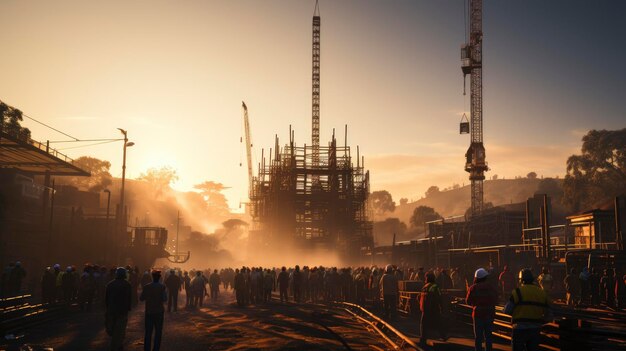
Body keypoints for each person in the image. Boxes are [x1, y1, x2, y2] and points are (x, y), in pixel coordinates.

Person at [504, 268, 552, 351]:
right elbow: (549, 316)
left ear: (521, 280)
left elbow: (507, 310)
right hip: (535, 329)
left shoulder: (517, 292)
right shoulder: (542, 293)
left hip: (519, 328)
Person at [466, 268, 497, 351]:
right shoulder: (490, 287)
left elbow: (468, 301)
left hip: (478, 314)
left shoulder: (473, 288)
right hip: (489, 314)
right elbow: (495, 299)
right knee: (488, 337)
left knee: (478, 337)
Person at [105, 267, 132, 351]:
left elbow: (106, 298)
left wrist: (107, 308)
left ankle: (116, 343)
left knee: (112, 327)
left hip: (112, 309)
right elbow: (129, 298)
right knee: (120, 328)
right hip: (122, 310)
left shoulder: (110, 284)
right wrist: (128, 307)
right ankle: (118, 344)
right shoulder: (127, 284)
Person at [140, 270, 167, 351]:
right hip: (159, 312)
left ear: (152, 277)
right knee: (158, 332)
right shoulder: (162, 287)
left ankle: (147, 349)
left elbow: (141, 298)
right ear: (159, 278)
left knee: (148, 332)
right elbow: (165, 299)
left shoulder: (146, 287)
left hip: (149, 311)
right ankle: (156, 349)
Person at [419, 272, 447, 347]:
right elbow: (439, 297)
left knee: (423, 325)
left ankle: (422, 340)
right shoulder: (435, 286)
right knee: (439, 322)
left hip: (425, 309)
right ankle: (443, 336)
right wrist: (441, 307)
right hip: (434, 309)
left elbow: (418, 297)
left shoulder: (424, 287)